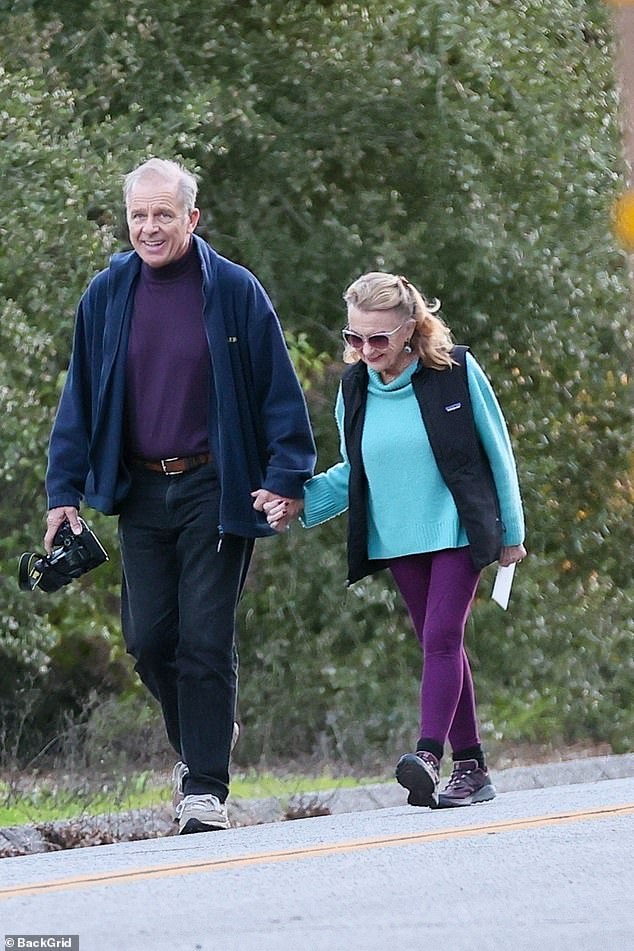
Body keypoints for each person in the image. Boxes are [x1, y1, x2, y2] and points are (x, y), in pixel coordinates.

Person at [44, 158, 315, 833]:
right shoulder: (107, 294)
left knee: (203, 638)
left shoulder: (233, 291)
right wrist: (63, 491)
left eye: (163, 214)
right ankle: (209, 727)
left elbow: (277, 395)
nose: (149, 226)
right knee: (147, 638)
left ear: (191, 218)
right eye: (139, 214)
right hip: (140, 488)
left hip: (214, 486)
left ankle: (204, 787)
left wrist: (285, 478)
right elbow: (78, 397)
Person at [263, 271, 526, 809]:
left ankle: (428, 756)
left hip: (457, 527)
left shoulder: (454, 373)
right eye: (354, 338)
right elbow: (353, 471)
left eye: (378, 339)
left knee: (441, 638)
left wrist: (512, 533)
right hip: (396, 536)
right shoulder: (354, 389)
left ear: (410, 329)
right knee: (439, 643)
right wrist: (298, 502)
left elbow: (497, 451)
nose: (364, 350)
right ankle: (472, 767)